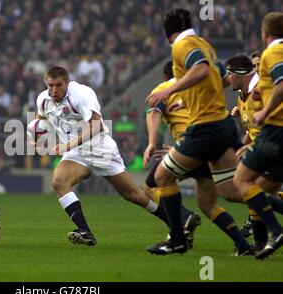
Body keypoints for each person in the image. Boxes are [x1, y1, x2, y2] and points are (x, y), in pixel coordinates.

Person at [146, 8, 252, 255]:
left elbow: (154, 112)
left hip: (198, 137)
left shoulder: (179, 56)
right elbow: (222, 76)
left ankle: (177, 236)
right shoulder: (205, 45)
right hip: (221, 129)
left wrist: (166, 94)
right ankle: (245, 243)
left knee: (156, 181)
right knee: (223, 196)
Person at [35, 66, 175, 247]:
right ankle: (85, 231)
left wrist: (66, 145)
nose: (54, 90)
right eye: (50, 85)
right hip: (76, 154)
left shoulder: (81, 94)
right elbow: (40, 122)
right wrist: (36, 137)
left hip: (100, 150)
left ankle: (175, 223)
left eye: (59, 85)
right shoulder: (43, 99)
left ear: (67, 83)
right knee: (59, 182)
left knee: (133, 195)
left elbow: (96, 126)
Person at [233, 12, 283, 259]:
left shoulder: (273, 52)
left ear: (265, 34)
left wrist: (264, 111)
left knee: (242, 181)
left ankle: (275, 230)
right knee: (262, 191)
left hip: (275, 128)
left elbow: (282, 85)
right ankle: (263, 241)